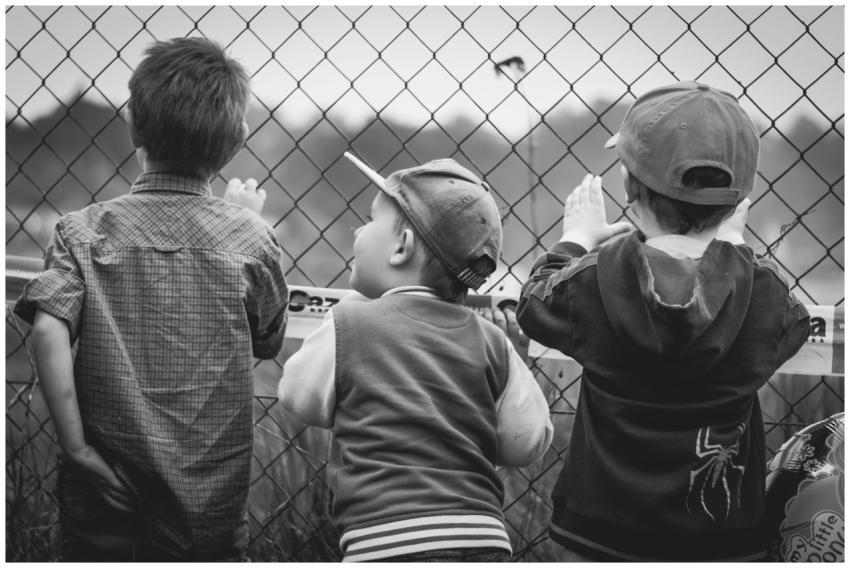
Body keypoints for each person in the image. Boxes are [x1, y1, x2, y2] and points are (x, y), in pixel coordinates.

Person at [14, 37, 289, 561]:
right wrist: (241, 220)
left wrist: (76, 449)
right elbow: (268, 340)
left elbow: (48, 327)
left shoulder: (83, 231)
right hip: (205, 503)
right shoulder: (250, 239)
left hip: (104, 486)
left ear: (135, 126)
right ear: (237, 142)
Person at [516, 81, 811, 562]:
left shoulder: (596, 278)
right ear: (739, 200)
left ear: (631, 186)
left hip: (598, 536)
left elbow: (534, 303)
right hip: (722, 541)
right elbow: (793, 326)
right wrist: (734, 249)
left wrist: (576, 238)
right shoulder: (762, 294)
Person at [277, 155, 553, 562]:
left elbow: (296, 397)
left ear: (401, 247)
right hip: (483, 537)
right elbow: (525, 443)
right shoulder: (492, 341)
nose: (360, 229)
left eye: (370, 220)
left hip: (385, 541)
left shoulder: (349, 322)